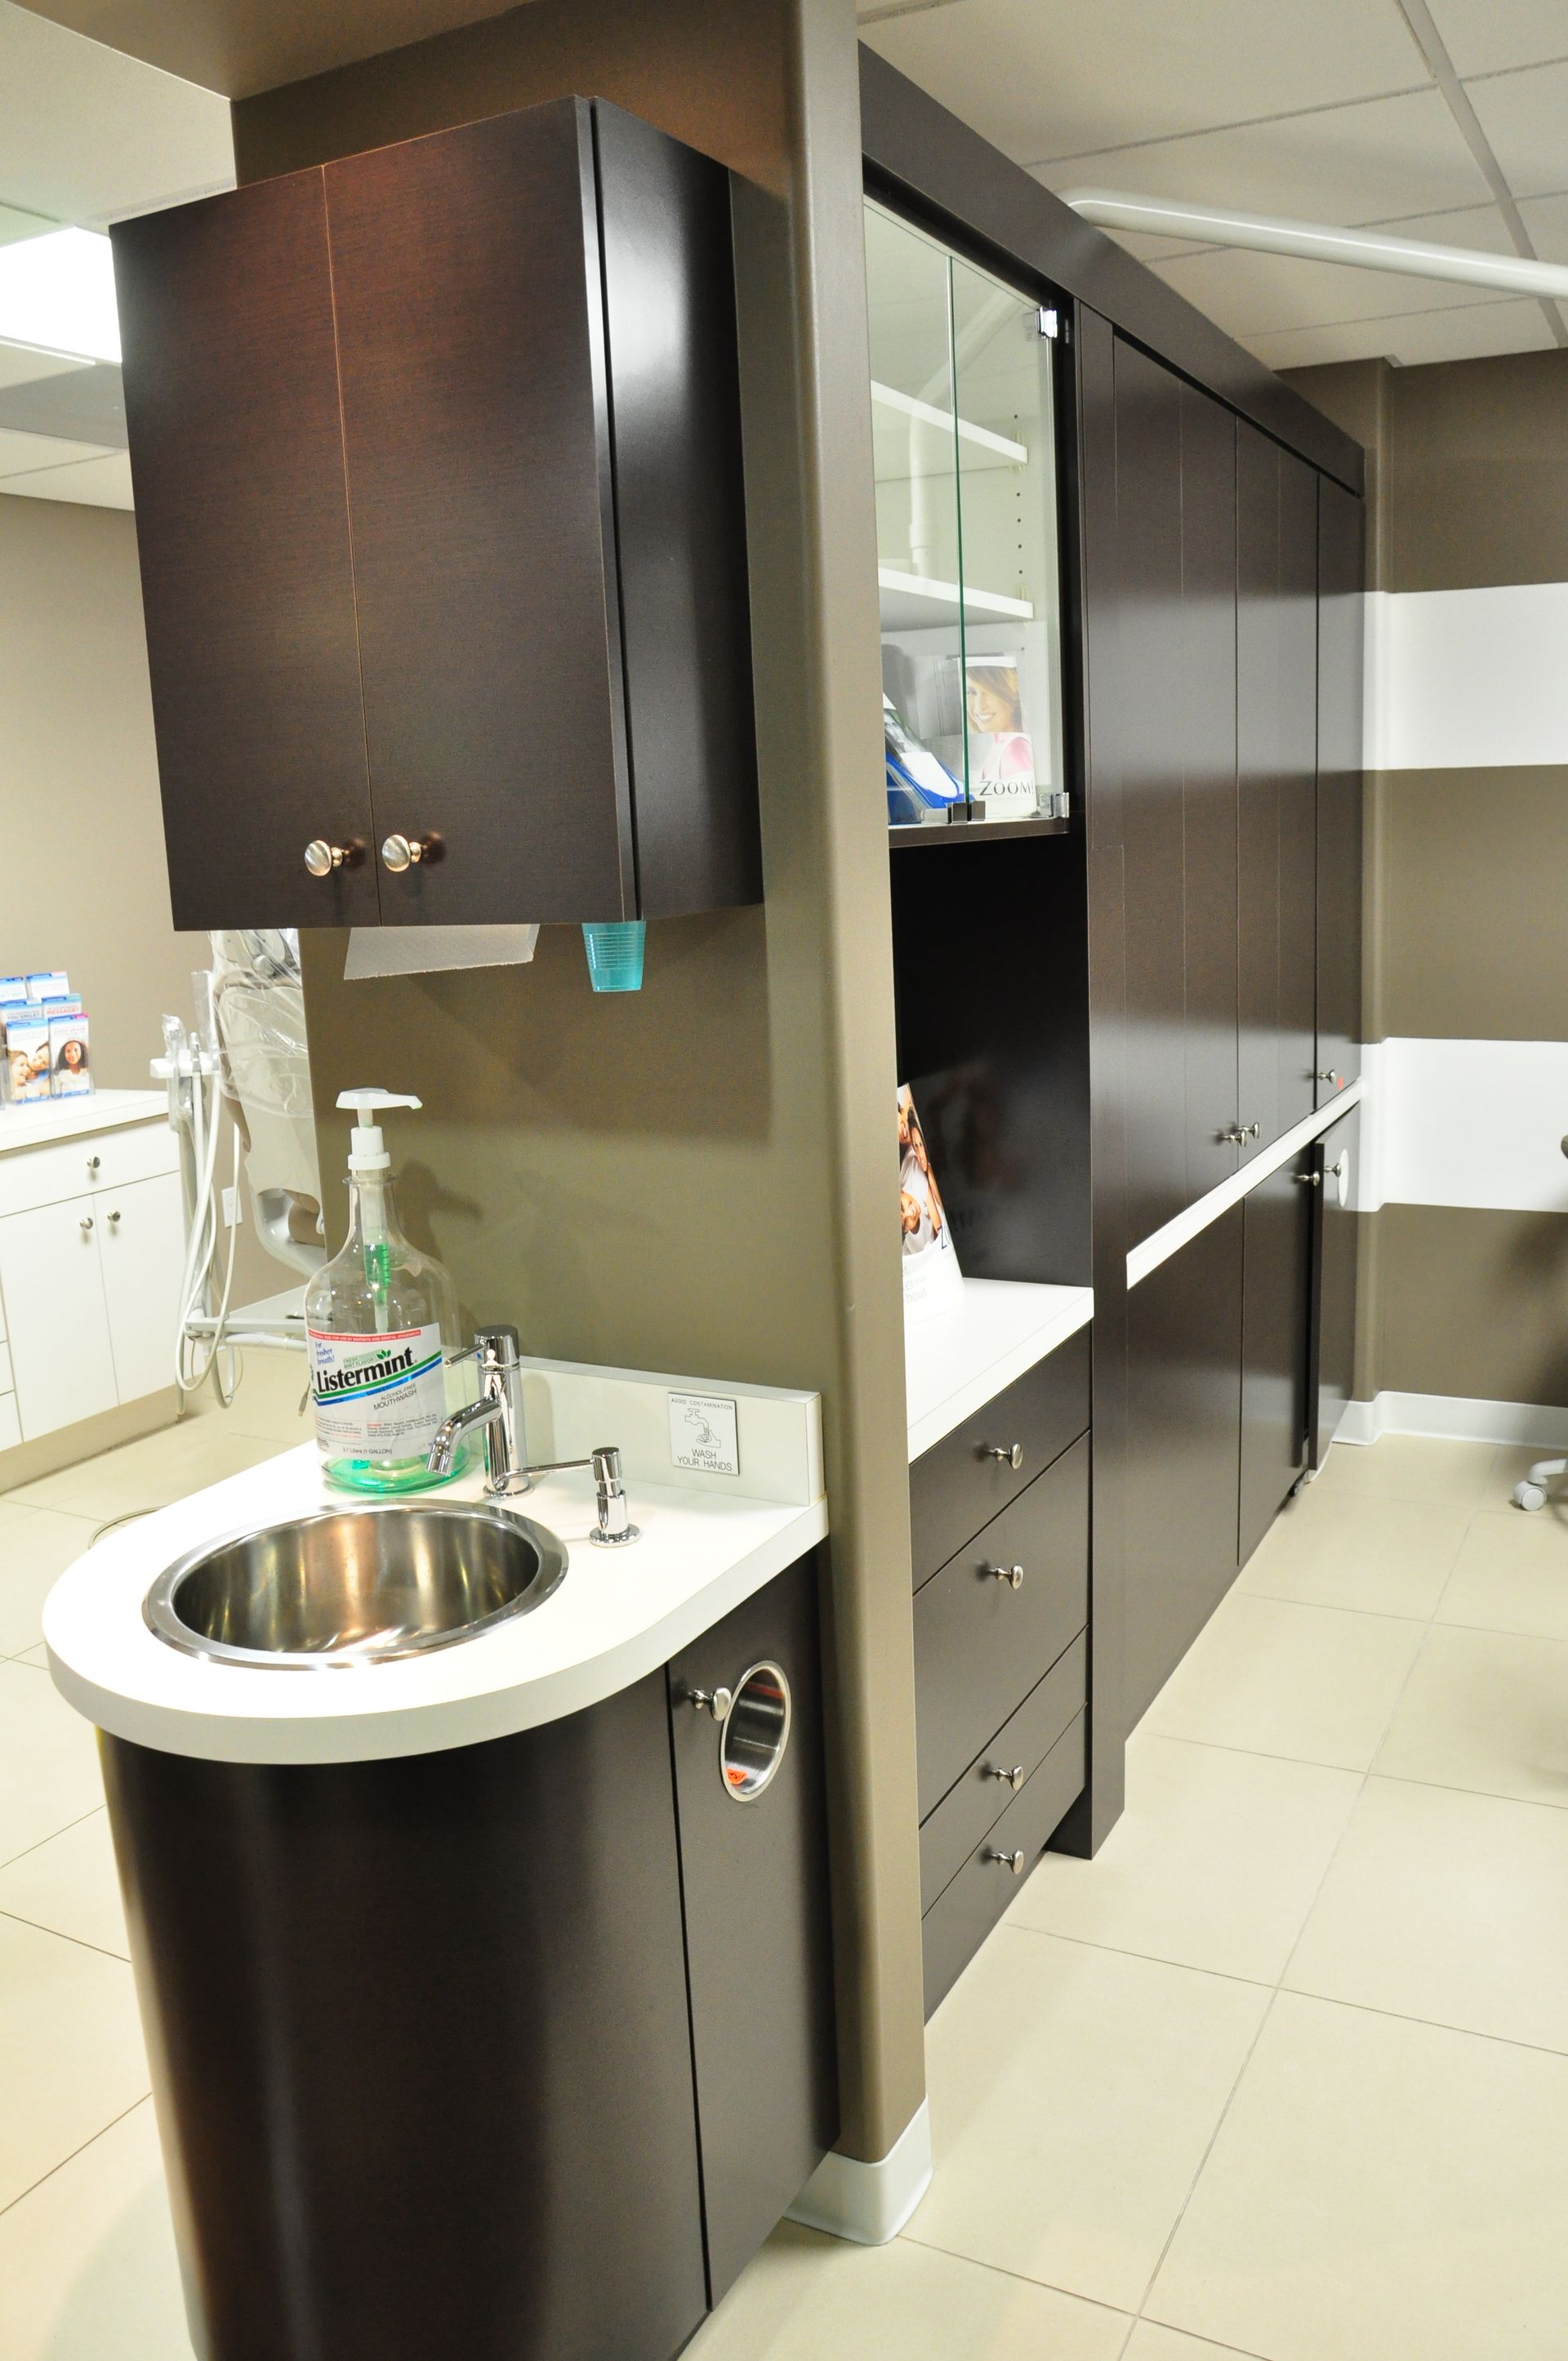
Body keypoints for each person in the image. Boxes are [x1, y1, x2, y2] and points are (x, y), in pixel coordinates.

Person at [966, 664, 1036, 800]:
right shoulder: (998, 745)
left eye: (989, 691)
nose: (980, 705)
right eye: (972, 692)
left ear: (1009, 694)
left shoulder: (1015, 749)